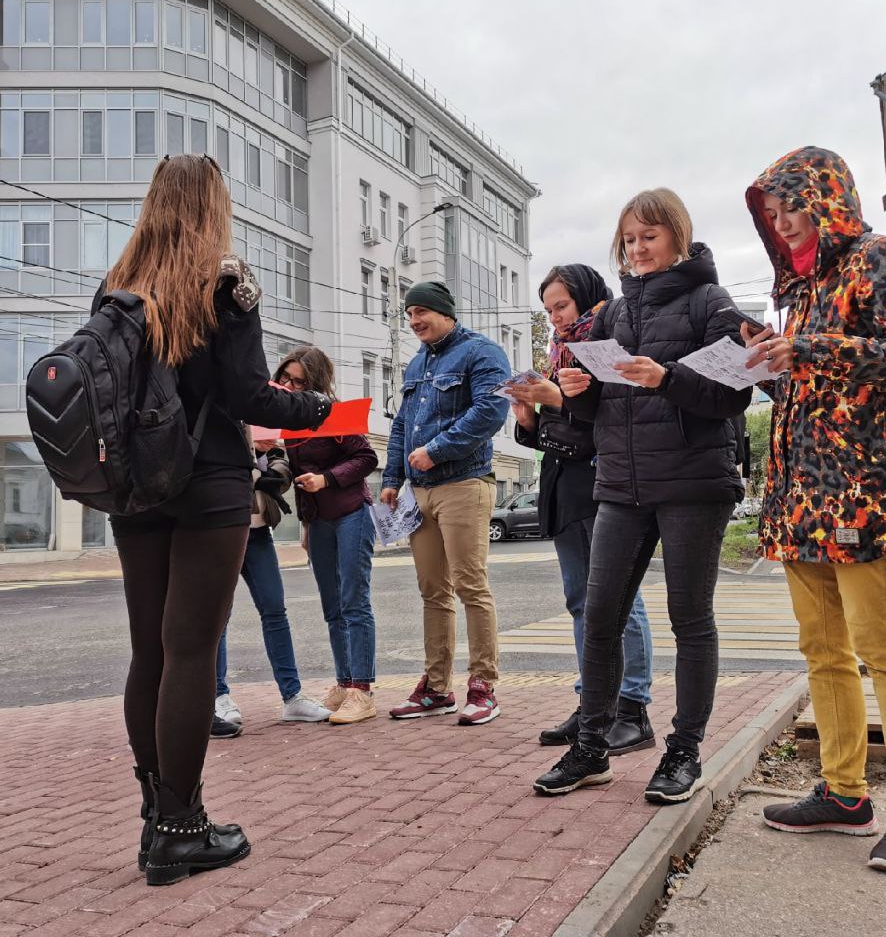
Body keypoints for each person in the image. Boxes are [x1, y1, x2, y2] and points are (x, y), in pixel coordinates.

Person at [104, 154, 331, 886]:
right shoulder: (227, 283)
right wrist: (318, 410)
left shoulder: (118, 285)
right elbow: (245, 394)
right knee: (193, 650)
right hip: (207, 484)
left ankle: (155, 820)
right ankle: (181, 830)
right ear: (214, 208)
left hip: (136, 489)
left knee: (151, 651)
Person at [742, 146, 886, 874]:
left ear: (828, 201)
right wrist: (773, 360)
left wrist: (810, 348)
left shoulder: (881, 258)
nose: (785, 222)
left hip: (866, 487)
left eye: (793, 207)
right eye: (774, 215)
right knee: (822, 652)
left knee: (881, 647)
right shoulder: (798, 292)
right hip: (802, 495)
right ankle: (845, 792)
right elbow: (816, 388)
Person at [533, 188, 750, 804]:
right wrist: (574, 389)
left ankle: (684, 751)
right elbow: (594, 413)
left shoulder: (711, 301)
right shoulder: (614, 315)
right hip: (621, 486)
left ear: (677, 236)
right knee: (600, 616)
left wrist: (669, 377)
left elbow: (734, 395)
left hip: (693, 485)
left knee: (690, 619)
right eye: (628, 240)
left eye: (648, 237)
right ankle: (593, 747)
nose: (637, 249)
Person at [509, 264, 656, 755]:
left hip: (605, 484)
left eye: (562, 306)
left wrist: (559, 400)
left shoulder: (610, 336)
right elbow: (560, 431)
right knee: (581, 602)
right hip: (564, 487)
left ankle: (631, 705)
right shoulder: (560, 352)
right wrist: (530, 414)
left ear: (586, 298)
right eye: (548, 309)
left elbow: (615, 417)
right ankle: (592, 703)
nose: (554, 318)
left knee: (618, 601)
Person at [380, 281, 512, 725]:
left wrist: (436, 450)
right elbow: (401, 425)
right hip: (419, 492)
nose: (415, 321)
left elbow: (491, 412)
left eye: (422, 312)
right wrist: (392, 476)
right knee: (433, 591)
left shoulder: (482, 352)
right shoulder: (417, 362)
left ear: (445, 312)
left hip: (464, 482)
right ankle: (436, 688)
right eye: (409, 313)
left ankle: (483, 686)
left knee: (470, 585)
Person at [275, 346, 381, 725]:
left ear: (315, 382)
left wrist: (326, 479)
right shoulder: (285, 422)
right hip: (318, 521)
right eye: (284, 378)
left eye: (297, 380)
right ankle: (344, 682)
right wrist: (306, 525)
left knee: (355, 603)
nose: (288, 385)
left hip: (352, 513)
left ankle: (362, 691)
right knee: (332, 608)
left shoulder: (334, 414)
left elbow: (368, 458)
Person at [211, 435, 333, 738]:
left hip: (258, 533)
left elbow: (282, 471)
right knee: (218, 617)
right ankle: (217, 697)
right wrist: (249, 454)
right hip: (219, 531)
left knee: (275, 609)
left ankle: (292, 697)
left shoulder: (261, 427)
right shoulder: (220, 421)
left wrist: (265, 456)